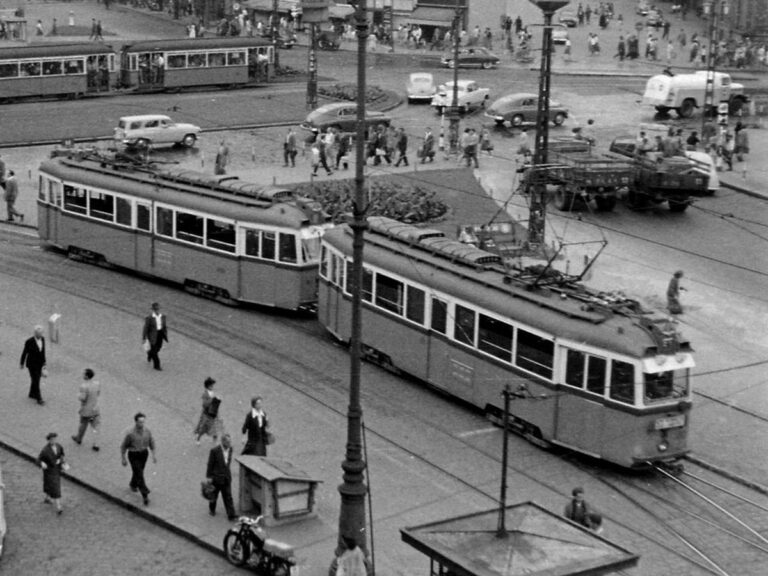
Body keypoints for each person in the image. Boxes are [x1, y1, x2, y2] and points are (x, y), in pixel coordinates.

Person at [120, 412, 157, 506]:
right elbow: (124, 446)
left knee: (139, 471)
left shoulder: (147, 431)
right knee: (139, 473)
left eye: (143, 422)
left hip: (144, 454)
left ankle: (133, 484)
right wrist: (123, 458)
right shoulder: (130, 434)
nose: (142, 424)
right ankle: (145, 495)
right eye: (140, 422)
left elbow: (151, 442)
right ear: (136, 422)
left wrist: (154, 454)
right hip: (134, 454)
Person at [206, 433, 237, 520]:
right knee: (214, 495)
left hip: (226, 477)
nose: (230, 443)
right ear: (223, 442)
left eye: (230, 441)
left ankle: (231, 515)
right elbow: (210, 464)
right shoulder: (215, 451)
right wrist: (209, 477)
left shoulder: (230, 449)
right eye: (228, 442)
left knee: (228, 496)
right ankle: (212, 509)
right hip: (216, 478)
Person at [72, 368, 101, 451]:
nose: (82, 375)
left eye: (84, 374)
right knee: (96, 426)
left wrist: (78, 395)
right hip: (95, 408)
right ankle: (96, 443)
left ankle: (79, 438)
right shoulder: (97, 383)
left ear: (87, 376)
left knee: (83, 424)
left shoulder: (84, 386)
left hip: (86, 410)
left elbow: (83, 398)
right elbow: (98, 393)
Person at [38, 432, 68, 515]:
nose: (54, 441)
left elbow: (62, 455)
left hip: (57, 469)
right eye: (52, 439)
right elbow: (38, 459)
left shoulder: (59, 446)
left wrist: (63, 462)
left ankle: (47, 497)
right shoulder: (45, 450)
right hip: (49, 471)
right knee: (55, 487)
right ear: (49, 440)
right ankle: (58, 506)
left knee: (49, 484)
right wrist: (42, 463)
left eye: (55, 439)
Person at [20, 325, 47, 405]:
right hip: (31, 365)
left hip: (39, 364)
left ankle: (31, 393)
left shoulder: (43, 339)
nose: (41, 335)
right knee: (36, 380)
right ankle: (39, 398)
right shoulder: (29, 341)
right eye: (40, 333)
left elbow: (43, 351)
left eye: (42, 333)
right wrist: (22, 363)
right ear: (35, 334)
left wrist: (44, 362)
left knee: (36, 379)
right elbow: (25, 353)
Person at [194, 377, 222, 444]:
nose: (212, 386)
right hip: (207, 414)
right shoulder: (205, 394)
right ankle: (198, 439)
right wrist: (212, 400)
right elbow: (204, 404)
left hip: (213, 414)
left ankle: (214, 441)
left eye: (212, 385)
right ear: (207, 386)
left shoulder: (212, 393)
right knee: (203, 429)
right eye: (211, 385)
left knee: (215, 428)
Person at [142, 302, 168, 371]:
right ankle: (157, 365)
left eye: (158, 309)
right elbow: (146, 328)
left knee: (158, 348)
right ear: (153, 310)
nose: (157, 311)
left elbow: (164, 326)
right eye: (155, 310)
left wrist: (165, 334)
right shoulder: (149, 318)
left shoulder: (163, 316)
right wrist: (144, 337)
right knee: (154, 351)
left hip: (160, 334)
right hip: (152, 335)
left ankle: (149, 353)